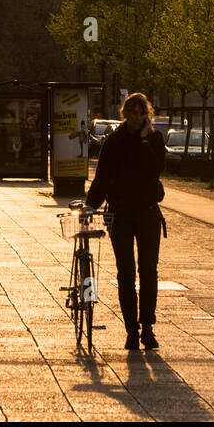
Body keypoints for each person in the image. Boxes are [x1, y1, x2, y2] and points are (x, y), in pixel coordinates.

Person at [84, 92, 166, 352]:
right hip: (120, 213)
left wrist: (143, 143)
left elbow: (155, 170)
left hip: (147, 212)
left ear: (147, 115)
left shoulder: (154, 139)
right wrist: (91, 204)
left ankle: (148, 328)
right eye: (132, 113)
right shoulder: (114, 141)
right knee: (126, 273)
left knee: (149, 271)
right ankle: (132, 330)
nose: (136, 118)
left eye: (141, 114)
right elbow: (103, 176)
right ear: (125, 114)